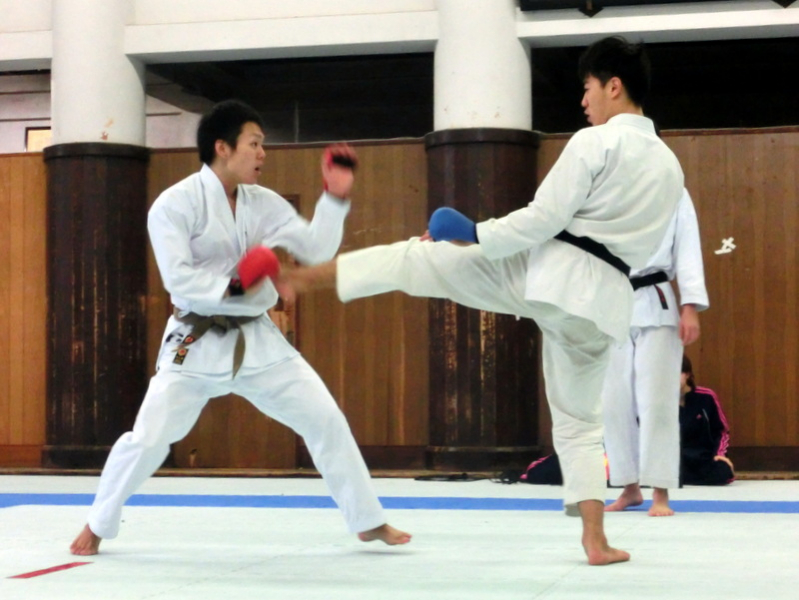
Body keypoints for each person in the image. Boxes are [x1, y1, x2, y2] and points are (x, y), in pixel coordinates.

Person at [278, 36, 684, 565]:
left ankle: (302, 279)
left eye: (587, 88)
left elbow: (543, 218)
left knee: (417, 260)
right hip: (607, 303)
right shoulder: (671, 167)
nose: (584, 101)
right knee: (582, 422)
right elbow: (647, 246)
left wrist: (474, 232)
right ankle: (595, 540)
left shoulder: (596, 142)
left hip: (553, 275)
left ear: (613, 86)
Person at [70, 99, 411, 556]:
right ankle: (97, 523)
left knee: (325, 419)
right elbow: (179, 279)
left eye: (262, 144)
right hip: (195, 338)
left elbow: (314, 248)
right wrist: (235, 286)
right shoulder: (173, 205)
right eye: (255, 143)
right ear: (223, 147)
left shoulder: (263, 202)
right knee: (149, 438)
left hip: (258, 340)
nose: (262, 153)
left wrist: (335, 198)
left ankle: (367, 520)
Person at [602, 189, 709, 516]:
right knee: (612, 401)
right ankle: (628, 487)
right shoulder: (602, 186)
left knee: (658, 400)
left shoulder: (672, 188)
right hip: (608, 299)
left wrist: (690, 305)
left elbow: (688, 247)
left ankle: (660, 492)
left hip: (656, 299)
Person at [679, 355, 734, 485]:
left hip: (702, 457)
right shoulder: (658, 400)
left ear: (687, 374)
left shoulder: (706, 397)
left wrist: (720, 454)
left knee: (722, 470)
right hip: (673, 459)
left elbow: (722, 431)